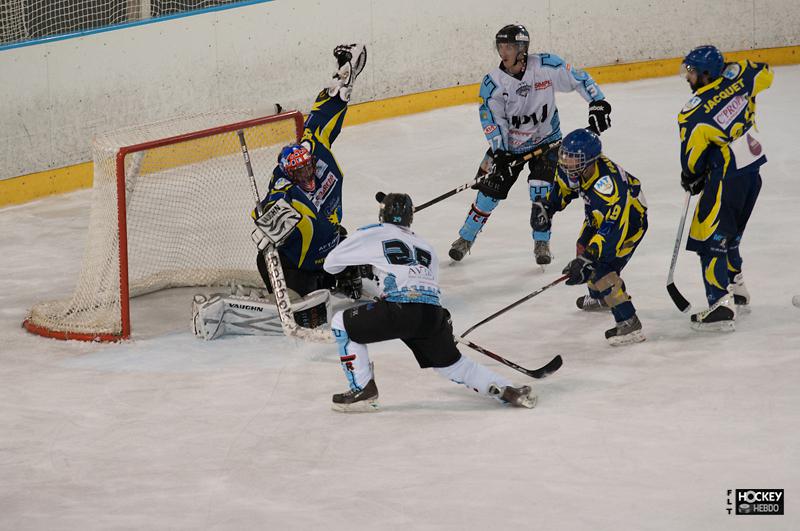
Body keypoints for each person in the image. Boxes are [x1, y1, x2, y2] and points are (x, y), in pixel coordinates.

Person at [191, 44, 367, 339]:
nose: (307, 173)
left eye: (307, 167)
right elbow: (271, 205)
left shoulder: (315, 152)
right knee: (271, 255)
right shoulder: (284, 189)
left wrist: (342, 81)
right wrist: (265, 217)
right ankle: (300, 292)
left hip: (330, 250)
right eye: (299, 172)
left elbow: (321, 116)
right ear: (289, 173)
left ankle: (334, 279)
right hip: (312, 265)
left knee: (341, 245)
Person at [322, 193, 537, 412]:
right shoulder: (425, 245)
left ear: (382, 214)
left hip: (399, 309)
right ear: (410, 217)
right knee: (452, 365)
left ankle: (362, 391)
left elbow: (331, 264)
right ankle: (507, 390)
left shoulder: (371, 232)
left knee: (341, 323)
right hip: (432, 313)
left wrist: (361, 265)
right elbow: (427, 283)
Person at [449, 23, 612, 266]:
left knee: (541, 191)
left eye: (509, 47)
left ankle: (541, 241)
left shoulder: (546, 66)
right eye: (500, 46)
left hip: (548, 142)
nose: (503, 52)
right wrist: (499, 151)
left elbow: (580, 79)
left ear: (522, 49)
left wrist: (598, 102)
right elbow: (491, 120)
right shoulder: (493, 83)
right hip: (508, 148)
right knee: (487, 195)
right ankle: (465, 238)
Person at [677, 45, 773, 331]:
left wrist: (691, 176)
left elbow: (692, 160)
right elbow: (766, 72)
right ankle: (737, 288)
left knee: (709, 238)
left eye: (692, 71)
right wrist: (730, 75)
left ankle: (720, 304)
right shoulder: (741, 77)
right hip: (752, 170)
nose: (688, 77)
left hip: (726, 177)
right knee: (730, 235)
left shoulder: (693, 112)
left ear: (706, 73)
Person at [531, 129, 648, 346]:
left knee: (601, 268)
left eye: (573, 158)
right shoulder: (576, 170)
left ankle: (629, 322)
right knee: (583, 247)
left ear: (590, 159)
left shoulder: (608, 185)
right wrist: (545, 207)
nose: (566, 163)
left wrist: (590, 259)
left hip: (628, 224)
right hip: (599, 215)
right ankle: (599, 298)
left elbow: (612, 229)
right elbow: (562, 190)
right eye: (565, 156)